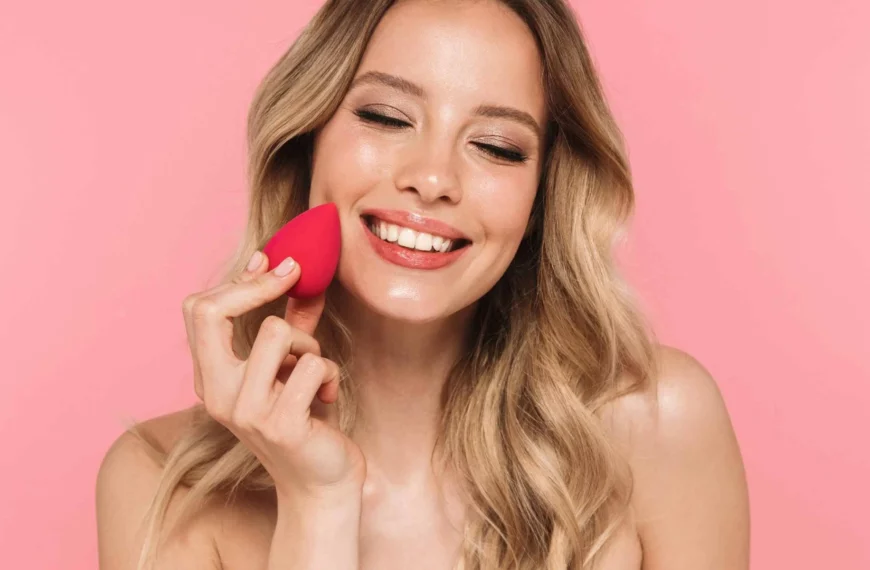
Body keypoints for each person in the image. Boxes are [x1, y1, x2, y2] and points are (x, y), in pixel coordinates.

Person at [95, 0, 750, 568]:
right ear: (307, 139)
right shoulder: (157, 484)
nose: (433, 177)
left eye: (496, 146)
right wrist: (317, 503)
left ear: (540, 197)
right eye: (386, 117)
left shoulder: (661, 425)